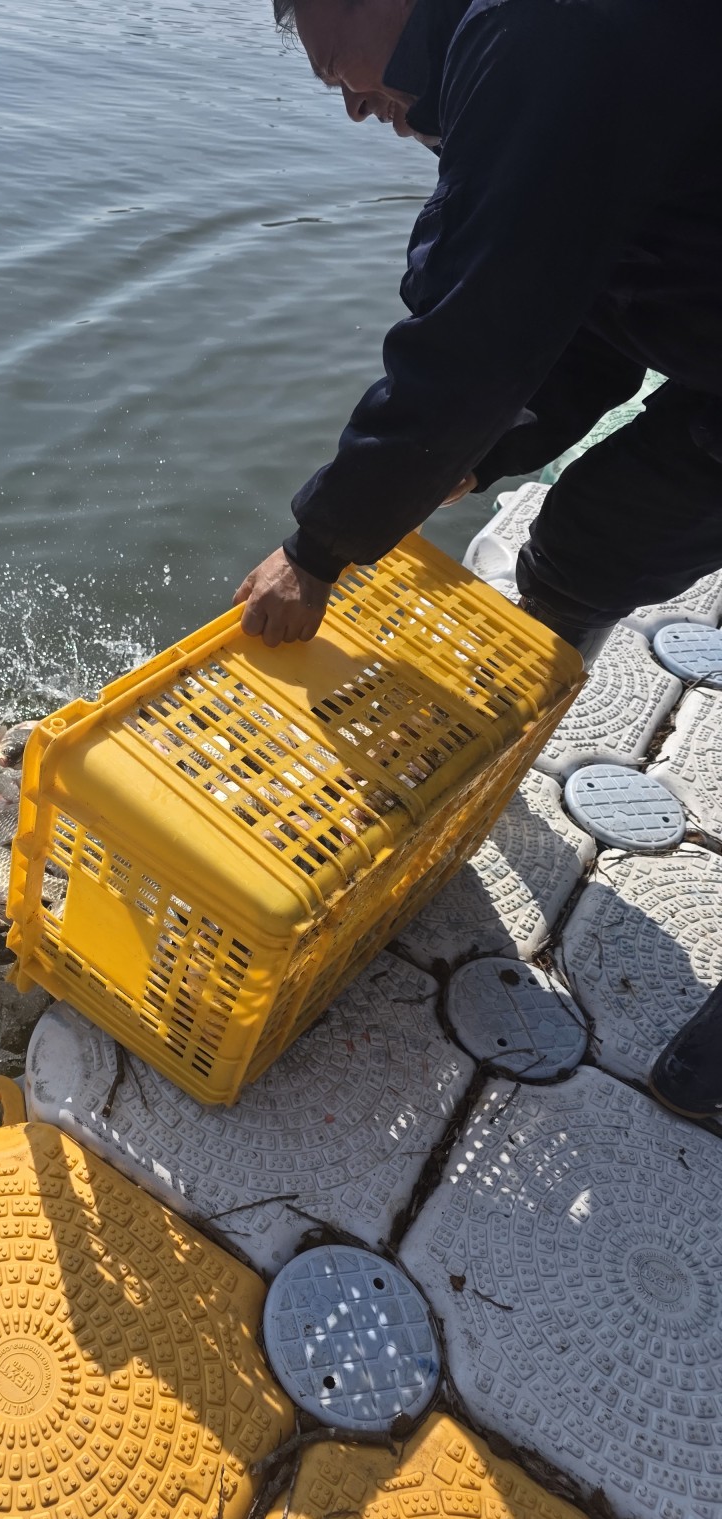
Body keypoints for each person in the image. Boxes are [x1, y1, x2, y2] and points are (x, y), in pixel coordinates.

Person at [235, 0, 722, 1117]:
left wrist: (319, 547)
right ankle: (492, 764)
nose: (355, 104)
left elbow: (475, 335)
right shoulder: (539, 62)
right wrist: (488, 450)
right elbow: (587, 306)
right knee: (585, 546)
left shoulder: (545, 31)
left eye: (336, 66)